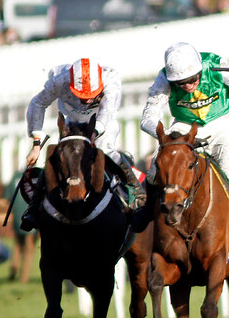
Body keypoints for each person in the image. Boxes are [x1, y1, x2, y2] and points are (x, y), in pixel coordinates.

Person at [134, 42, 229, 233]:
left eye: (192, 79)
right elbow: (147, 118)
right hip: (183, 126)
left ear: (200, 69)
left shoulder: (216, 65)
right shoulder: (164, 78)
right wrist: (169, 136)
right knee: (155, 170)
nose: (188, 86)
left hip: (219, 125)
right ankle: (147, 207)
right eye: (182, 83)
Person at [20, 58, 145, 231]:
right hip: (72, 124)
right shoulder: (59, 80)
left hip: (102, 123)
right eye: (82, 96)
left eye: (91, 95)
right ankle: (34, 207)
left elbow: (108, 111)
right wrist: (36, 143)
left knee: (105, 149)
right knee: (59, 157)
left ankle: (136, 190)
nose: (86, 101)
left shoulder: (110, 79)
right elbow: (38, 103)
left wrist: (93, 133)